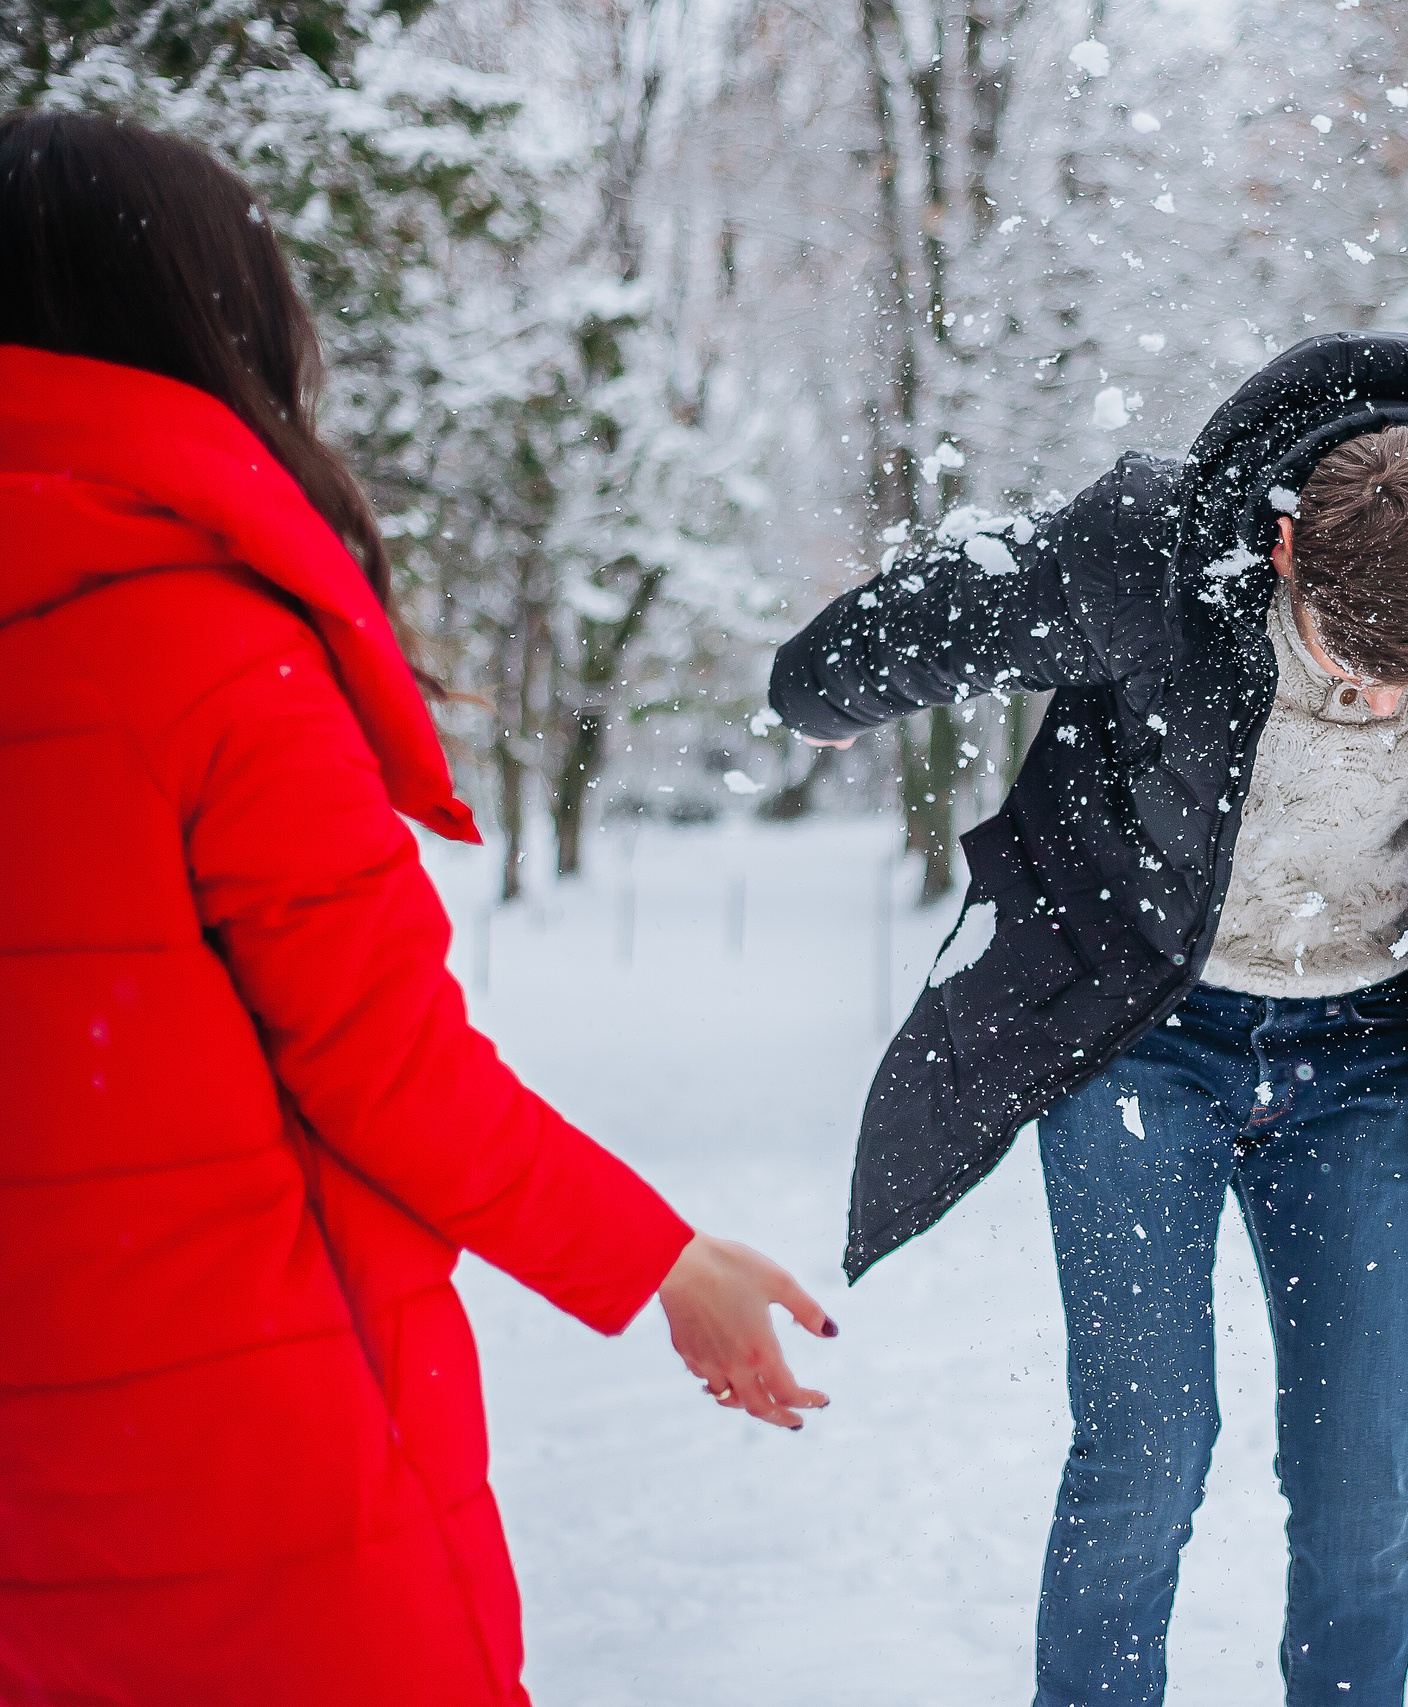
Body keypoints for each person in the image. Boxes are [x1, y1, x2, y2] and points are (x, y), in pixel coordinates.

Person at [771, 331, 1408, 1705]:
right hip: (1143, 1039)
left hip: (1361, 1056)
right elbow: (971, 604)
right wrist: (824, 689)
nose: (1383, 701)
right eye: (1354, 662)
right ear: (1285, 551)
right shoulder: (1158, 559)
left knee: (1362, 1480)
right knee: (1146, 1455)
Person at [0, 112, 833, 1706]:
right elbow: (390, 1074)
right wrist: (666, 1261)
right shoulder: (200, 649)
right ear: (205, 322)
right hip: (238, 1472)